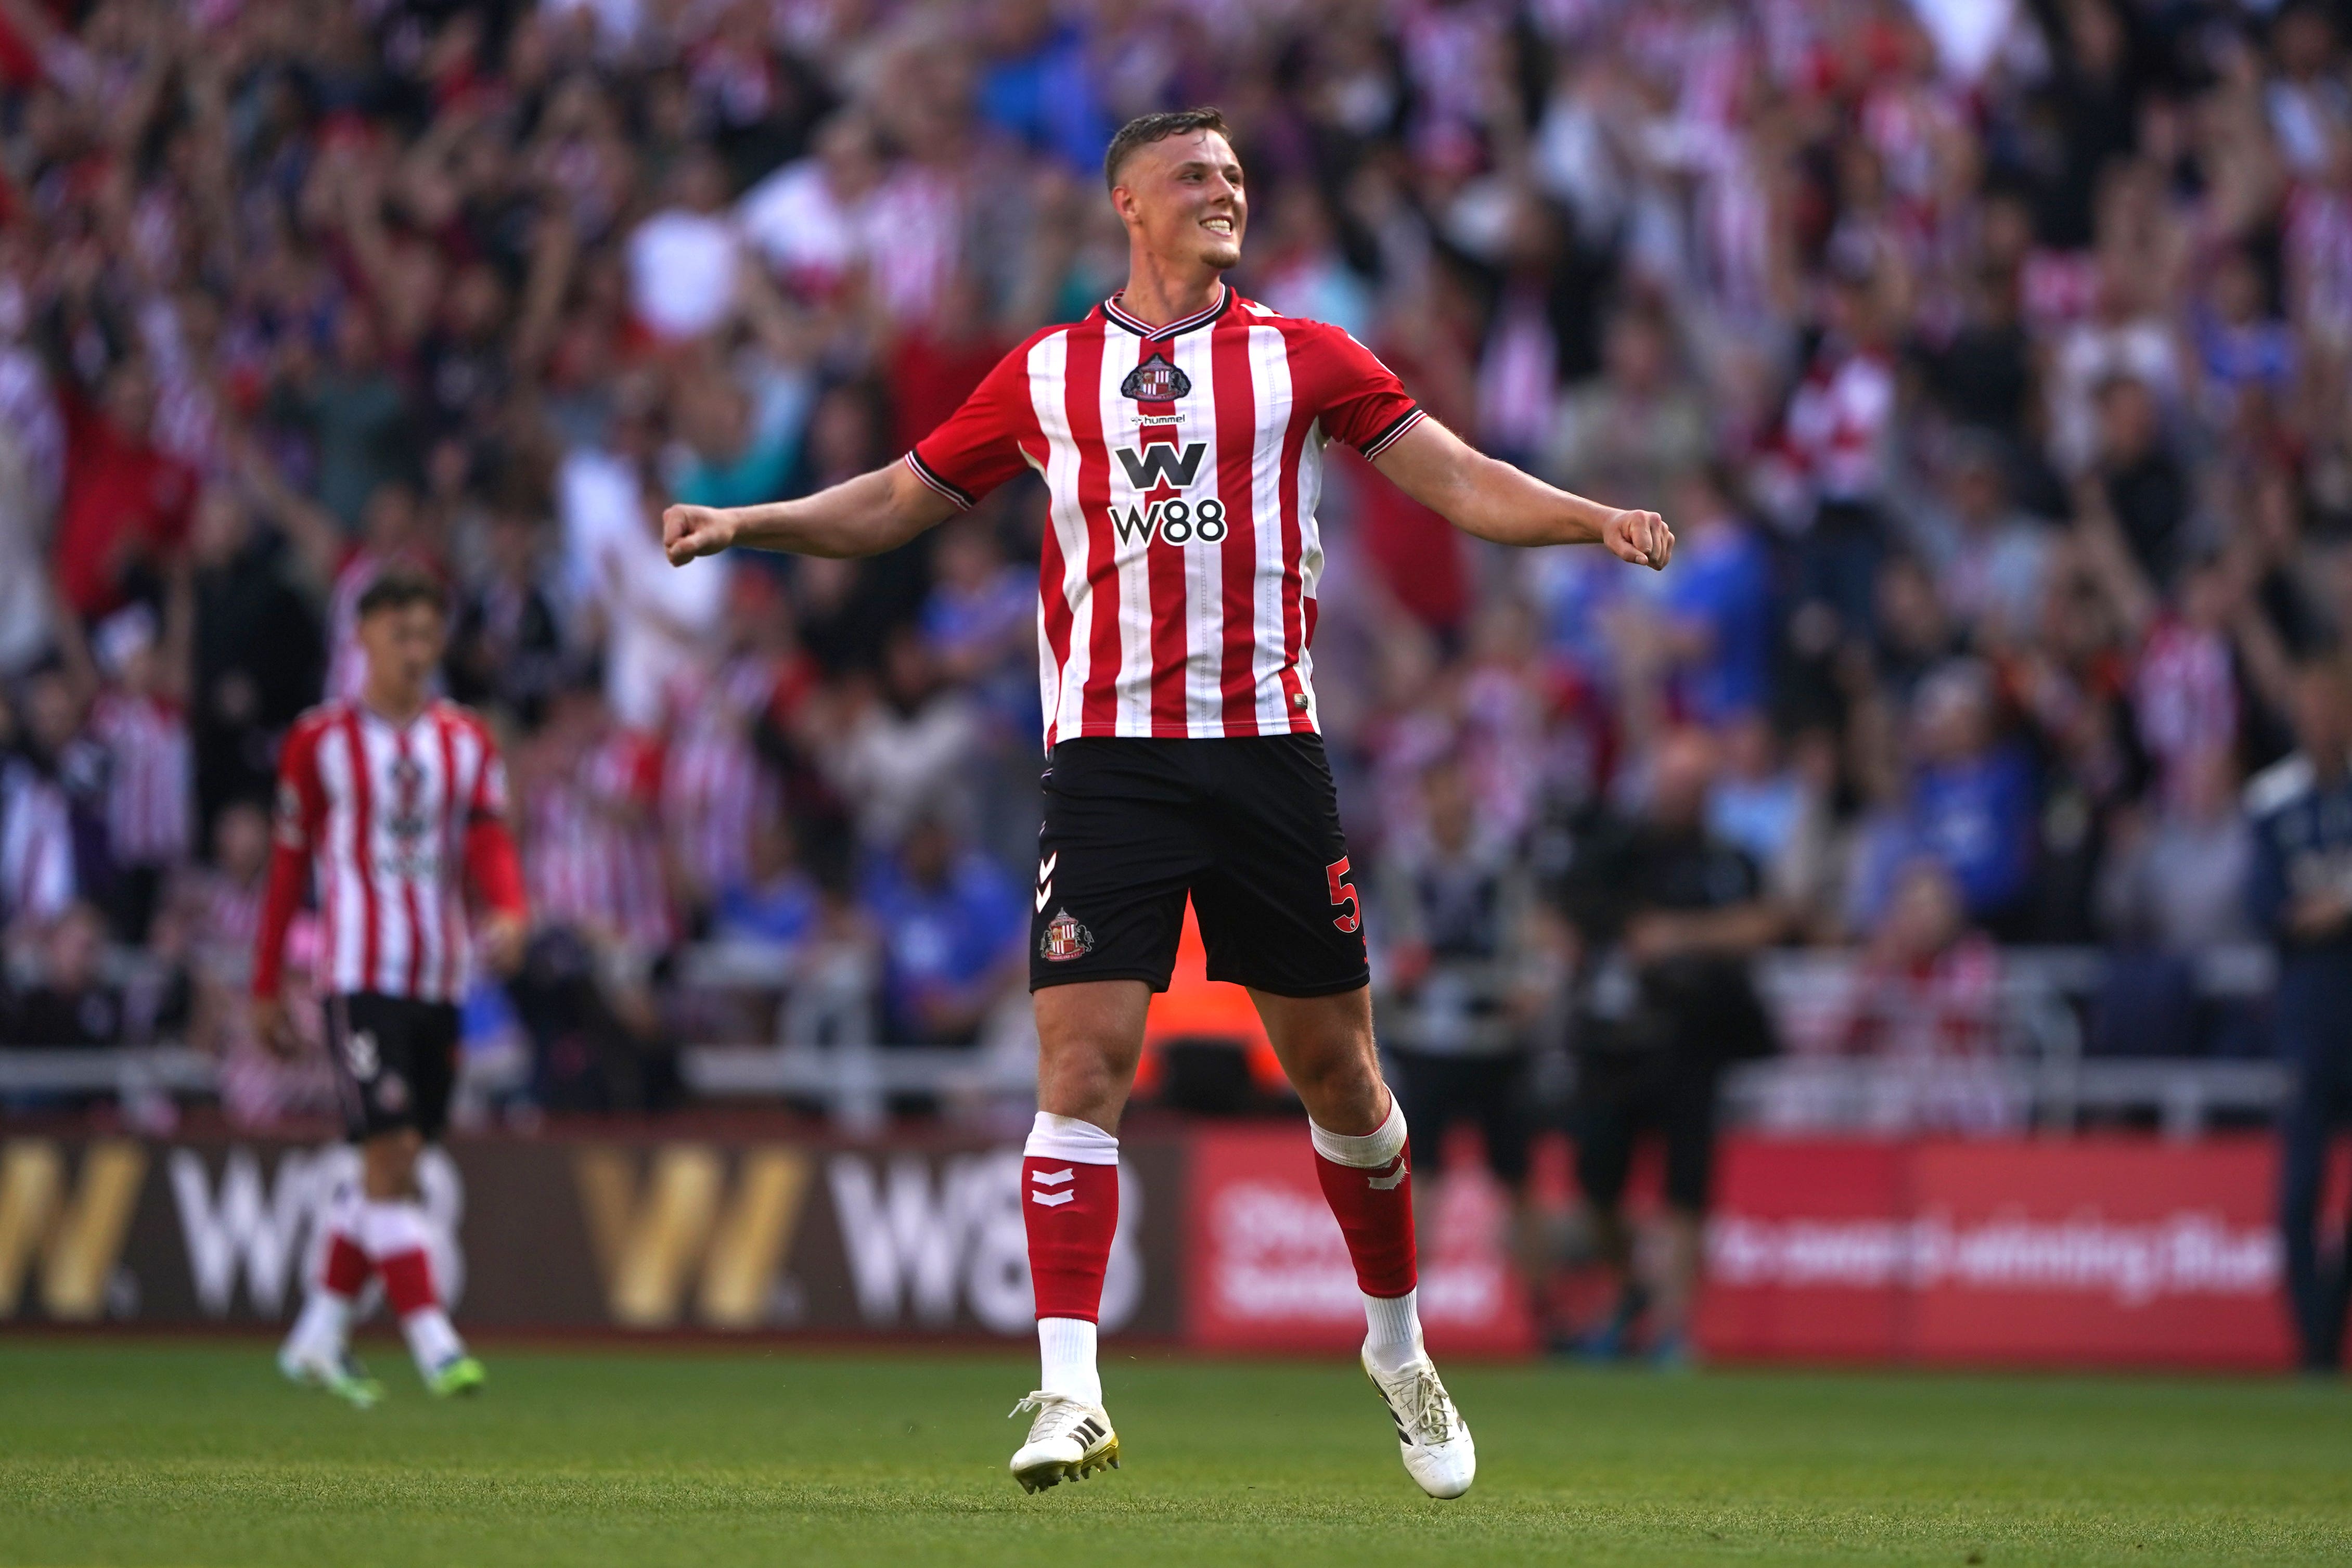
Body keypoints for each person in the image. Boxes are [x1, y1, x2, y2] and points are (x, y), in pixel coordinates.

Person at [661, 107, 1673, 1499]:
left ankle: (1396, 1347)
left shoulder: (1303, 356)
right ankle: (1071, 1389)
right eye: (1194, 174)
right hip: (1109, 760)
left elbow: (1457, 478)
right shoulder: (1047, 372)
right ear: (1126, 204)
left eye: (1236, 173)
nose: (1224, 189)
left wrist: (1590, 518)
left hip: (1265, 754)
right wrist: (747, 524)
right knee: (1080, 1065)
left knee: (1342, 1078)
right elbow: (899, 499)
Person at [252, 567, 529, 1406]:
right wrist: (266, 983)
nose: (415, 650)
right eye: (399, 634)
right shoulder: (318, 742)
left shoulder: (467, 740)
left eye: (427, 635)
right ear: (364, 637)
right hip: (357, 973)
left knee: (398, 1160)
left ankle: (317, 1335)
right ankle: (434, 1339)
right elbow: (287, 867)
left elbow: (487, 838)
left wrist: (510, 908)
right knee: (390, 1150)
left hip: (439, 975)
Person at [1557, 728, 1781, 1366]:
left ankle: (1674, 1328)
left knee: (1687, 1186)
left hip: (1695, 1040)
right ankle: (1633, 1290)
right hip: (1614, 1040)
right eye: (1673, 780)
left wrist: (1677, 936)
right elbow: (1562, 913)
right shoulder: (1614, 848)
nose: (1681, 794)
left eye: (1693, 784)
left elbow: (1765, 921)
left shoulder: (1728, 858)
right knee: (1596, 1178)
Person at [2247, 657, 2352, 1371]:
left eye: (2330, 704)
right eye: (2308, 705)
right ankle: (2315, 1343)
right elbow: (2265, 907)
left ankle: (2327, 1328)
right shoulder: (2273, 801)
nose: (2319, 717)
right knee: (2297, 1193)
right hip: (2308, 1017)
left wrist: (2330, 905)